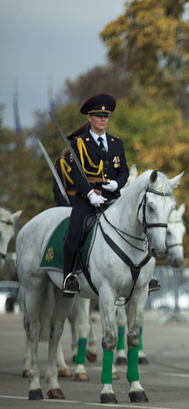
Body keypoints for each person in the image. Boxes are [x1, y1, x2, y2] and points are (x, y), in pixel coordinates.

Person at [62, 94, 129, 296]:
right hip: (87, 199)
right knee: (74, 232)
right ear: (89, 118)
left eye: (106, 116)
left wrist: (117, 183)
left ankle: (144, 274)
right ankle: (69, 277)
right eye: (99, 115)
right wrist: (91, 194)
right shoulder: (79, 143)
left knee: (137, 224)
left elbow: (124, 170)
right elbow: (76, 173)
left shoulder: (116, 142)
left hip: (113, 198)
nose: (103, 119)